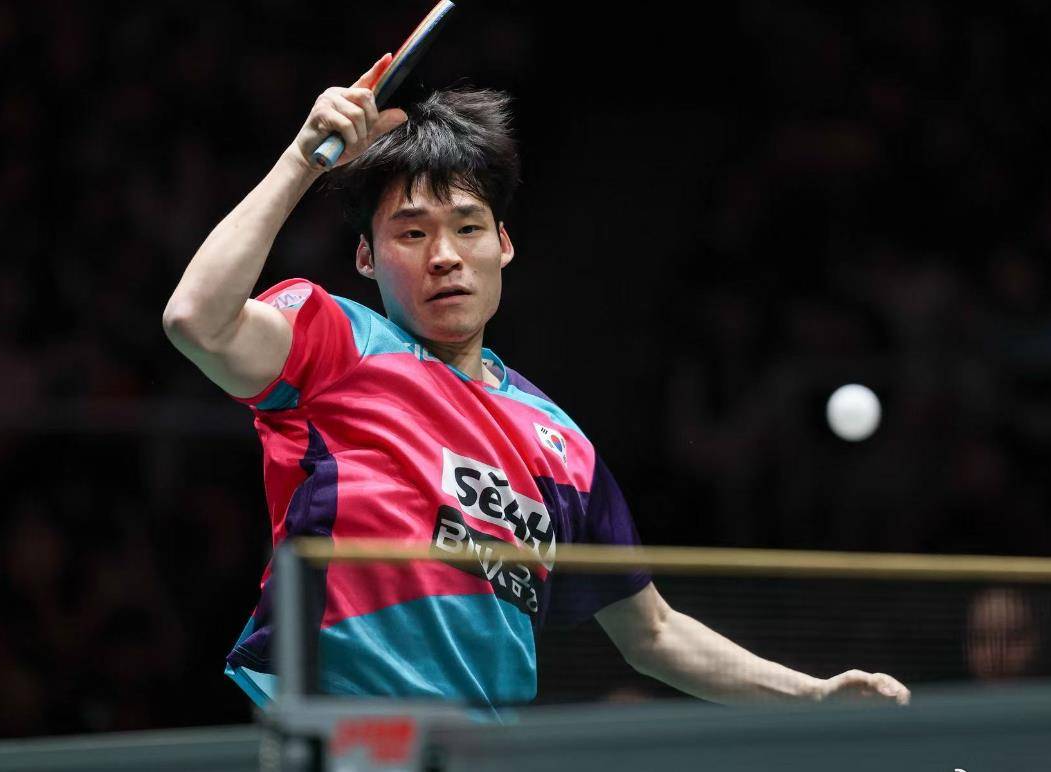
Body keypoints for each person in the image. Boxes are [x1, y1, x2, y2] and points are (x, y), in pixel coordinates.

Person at [162, 53, 910, 709]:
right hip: (340, 729)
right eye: (412, 233)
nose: (444, 255)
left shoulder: (562, 449)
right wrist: (302, 159)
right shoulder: (334, 343)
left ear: (504, 245)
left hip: (481, 752)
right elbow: (197, 320)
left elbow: (654, 632)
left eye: (467, 227)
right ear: (366, 257)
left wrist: (811, 694)